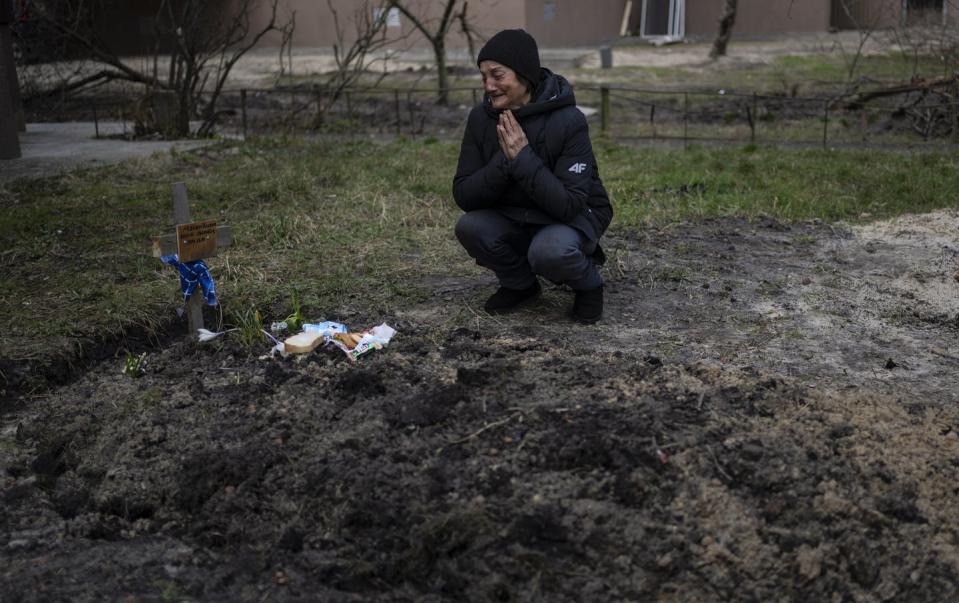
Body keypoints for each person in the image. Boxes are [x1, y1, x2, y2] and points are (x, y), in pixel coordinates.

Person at [452, 29, 612, 324]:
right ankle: (521, 285)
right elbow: (464, 194)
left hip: (570, 218)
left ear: (524, 75)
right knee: (471, 227)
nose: (488, 85)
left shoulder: (568, 120)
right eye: (483, 76)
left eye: (497, 75)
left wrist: (523, 158)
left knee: (549, 251)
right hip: (515, 213)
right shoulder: (480, 119)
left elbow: (570, 204)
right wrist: (505, 161)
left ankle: (589, 284)